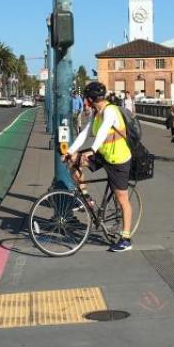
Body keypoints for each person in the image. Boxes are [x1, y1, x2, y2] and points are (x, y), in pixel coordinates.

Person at [64, 81, 134, 252]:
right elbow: (85, 133)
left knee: (122, 198)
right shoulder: (96, 112)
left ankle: (126, 239)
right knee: (73, 163)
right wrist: (71, 151)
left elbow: (103, 131)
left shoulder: (111, 111)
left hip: (118, 159)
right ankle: (87, 199)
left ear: (89, 99)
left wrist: (91, 150)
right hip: (104, 154)